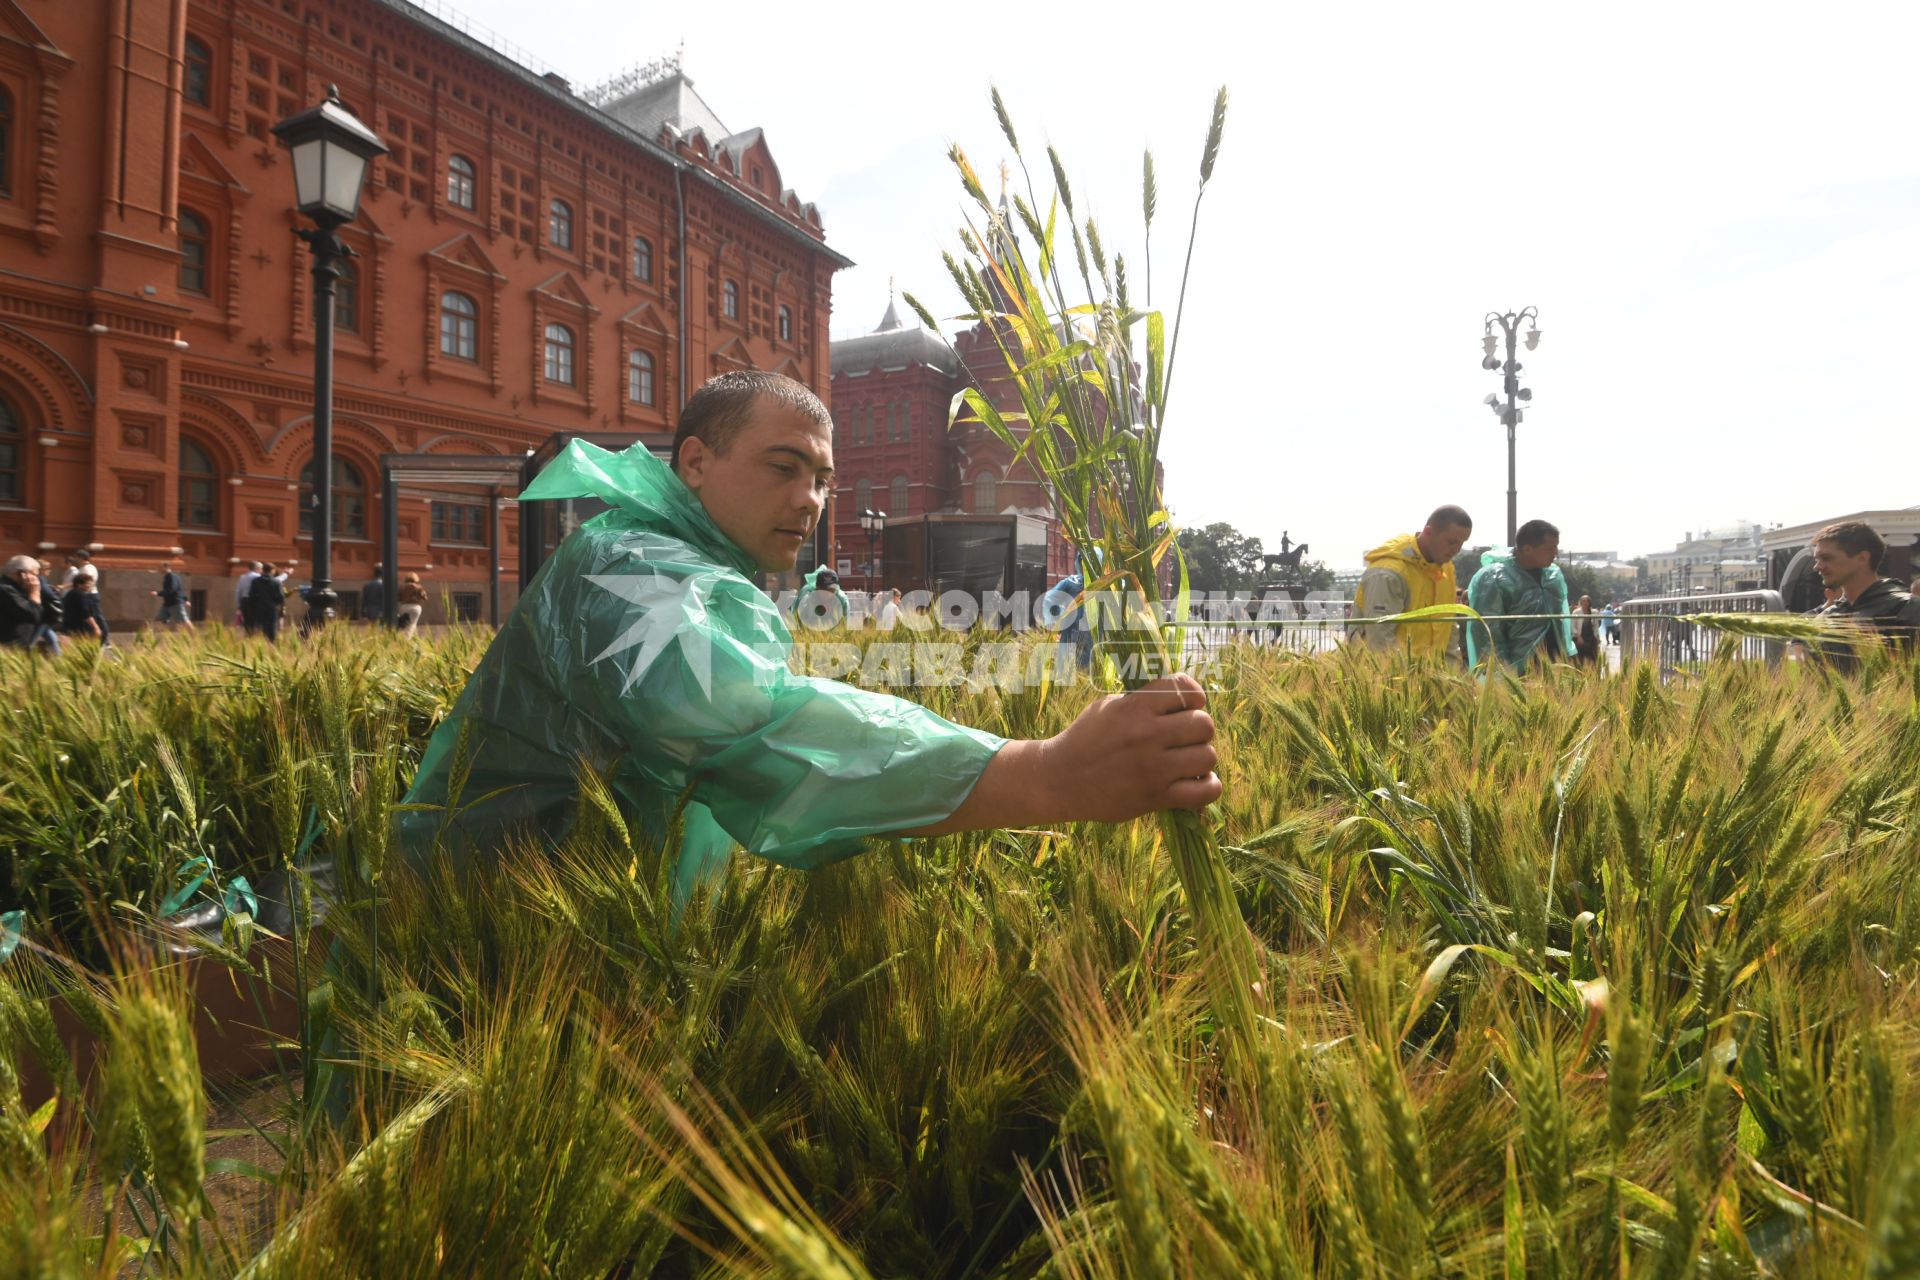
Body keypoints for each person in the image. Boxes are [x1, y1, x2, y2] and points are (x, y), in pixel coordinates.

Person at [398, 370, 1221, 910]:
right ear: (693, 462)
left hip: (573, 943)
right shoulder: (625, 565)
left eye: (824, 478)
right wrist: (1041, 774)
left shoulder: (694, 565)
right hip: (471, 943)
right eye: (783, 467)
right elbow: (749, 719)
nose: (812, 499)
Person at [1353, 504, 1473, 659]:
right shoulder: (1388, 573)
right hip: (1387, 678)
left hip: (1429, 678)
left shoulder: (1447, 569)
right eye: (1451, 542)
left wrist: (1451, 675)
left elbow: (1448, 629)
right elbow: (1380, 642)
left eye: (1461, 543)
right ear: (1428, 532)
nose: (1457, 549)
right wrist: (1407, 681)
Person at [1804, 521, 1920, 671]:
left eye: (1826, 558)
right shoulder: (1825, 619)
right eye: (1816, 560)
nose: (1817, 566)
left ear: (1862, 558)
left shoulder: (1909, 610)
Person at [1465, 519, 1573, 672]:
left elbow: (1560, 622)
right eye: (1549, 548)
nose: (1555, 553)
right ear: (1528, 549)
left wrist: (1566, 655)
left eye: (1556, 547)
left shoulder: (1553, 576)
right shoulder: (1494, 578)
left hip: (1554, 666)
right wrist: (1500, 673)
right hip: (1516, 670)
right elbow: (1486, 632)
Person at [2, 554, 59, 650]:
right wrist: (34, 592)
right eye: (35, 575)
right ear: (22, 574)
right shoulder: (6, 590)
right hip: (10, 648)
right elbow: (33, 614)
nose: (37, 580)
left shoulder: (17, 588)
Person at [60, 565, 110, 647]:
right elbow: (86, 612)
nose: (90, 586)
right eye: (88, 584)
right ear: (79, 584)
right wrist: (95, 626)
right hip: (80, 628)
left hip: (68, 626)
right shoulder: (82, 595)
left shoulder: (71, 593)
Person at [247, 561, 286, 644]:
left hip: (258, 608)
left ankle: (258, 643)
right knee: (271, 628)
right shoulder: (276, 582)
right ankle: (271, 644)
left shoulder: (255, 581)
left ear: (263, 570)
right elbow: (280, 597)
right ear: (272, 570)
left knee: (259, 627)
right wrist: (277, 605)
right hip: (271, 609)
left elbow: (251, 595)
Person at [153, 557, 194, 630]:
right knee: (158, 620)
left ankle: (195, 636)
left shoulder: (172, 577)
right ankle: (154, 639)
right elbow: (179, 590)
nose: (159, 569)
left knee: (184, 621)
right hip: (167, 604)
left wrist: (158, 593)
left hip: (175, 604)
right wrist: (186, 600)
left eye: (160, 567)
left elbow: (173, 590)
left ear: (166, 567)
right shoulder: (167, 577)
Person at [395, 571, 427, 636]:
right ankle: (408, 638)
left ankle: (409, 638)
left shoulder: (401, 587)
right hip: (416, 608)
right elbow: (425, 598)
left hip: (404, 607)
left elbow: (398, 598)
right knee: (412, 624)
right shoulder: (419, 587)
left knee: (404, 623)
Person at [1573, 594, 1601, 666]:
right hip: (1580, 637)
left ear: (1589, 602)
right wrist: (1578, 637)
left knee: (1593, 659)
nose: (1585, 603)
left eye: (1586, 601)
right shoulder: (1576, 612)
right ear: (1580, 602)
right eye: (1583, 601)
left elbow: (1596, 626)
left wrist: (1597, 637)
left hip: (1591, 637)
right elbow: (1572, 626)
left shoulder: (1594, 612)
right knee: (1581, 659)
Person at [235, 561, 262, 631]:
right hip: (254, 601)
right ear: (257, 568)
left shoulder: (242, 577)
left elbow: (238, 591)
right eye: (261, 569)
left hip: (244, 601)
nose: (261, 571)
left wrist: (239, 604)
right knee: (255, 622)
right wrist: (285, 574)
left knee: (247, 621)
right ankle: (253, 638)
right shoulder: (258, 577)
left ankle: (248, 637)